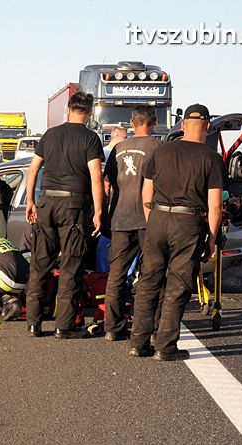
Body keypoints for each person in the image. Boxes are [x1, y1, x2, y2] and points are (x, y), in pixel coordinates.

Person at [128, 103, 224, 361]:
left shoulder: (160, 151)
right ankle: (166, 346)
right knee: (178, 285)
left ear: (183, 126)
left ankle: (138, 343)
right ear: (207, 127)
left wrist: (152, 222)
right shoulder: (211, 158)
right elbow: (215, 205)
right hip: (188, 223)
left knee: (148, 282)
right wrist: (212, 238)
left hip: (158, 219)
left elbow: (146, 194)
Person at [24, 91, 105, 338]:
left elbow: (33, 169)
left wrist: (31, 201)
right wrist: (98, 211)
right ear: (89, 113)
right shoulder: (90, 139)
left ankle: (33, 323)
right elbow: (96, 176)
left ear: (68, 109)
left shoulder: (50, 134)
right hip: (73, 205)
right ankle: (64, 326)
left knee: (40, 264)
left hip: (47, 201)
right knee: (71, 265)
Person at [102, 105, 163, 341]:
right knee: (152, 274)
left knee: (116, 274)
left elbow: (107, 183)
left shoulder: (118, 148)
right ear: (154, 122)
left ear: (132, 123)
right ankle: (151, 327)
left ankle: (112, 327)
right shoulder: (158, 147)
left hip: (120, 217)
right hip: (149, 218)